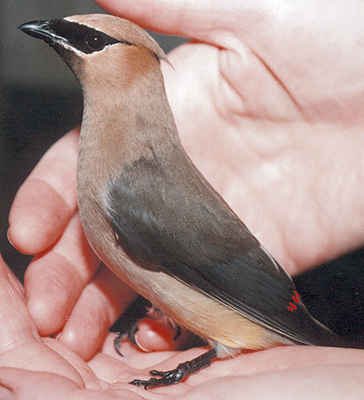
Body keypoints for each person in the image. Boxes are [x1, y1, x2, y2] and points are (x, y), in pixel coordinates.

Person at [3, 0, 364, 397]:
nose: (68, 40)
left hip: (253, 302)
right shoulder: (124, 163)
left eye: (90, 41)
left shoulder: (130, 186)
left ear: (136, 61)